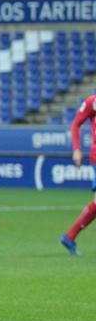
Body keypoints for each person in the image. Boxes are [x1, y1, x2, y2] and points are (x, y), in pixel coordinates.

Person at [60, 94, 96, 256]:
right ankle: (69, 237)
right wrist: (76, 148)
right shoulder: (92, 101)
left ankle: (69, 237)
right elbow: (76, 124)